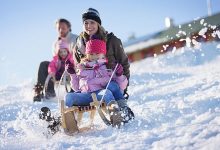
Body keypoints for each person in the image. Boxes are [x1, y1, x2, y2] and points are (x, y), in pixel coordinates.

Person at [72, 8, 133, 118]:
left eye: (92, 22)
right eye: (86, 23)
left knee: (112, 88)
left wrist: (124, 86)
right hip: (89, 87)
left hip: (110, 81)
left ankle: (122, 111)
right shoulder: (78, 45)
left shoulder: (112, 40)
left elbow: (124, 63)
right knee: (70, 97)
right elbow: (77, 69)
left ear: (98, 24)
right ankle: (64, 120)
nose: (89, 26)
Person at [65, 37, 130, 127]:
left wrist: (119, 75)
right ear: (87, 54)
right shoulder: (81, 68)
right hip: (85, 95)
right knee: (68, 96)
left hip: (99, 94)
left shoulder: (106, 68)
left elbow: (120, 86)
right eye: (91, 54)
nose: (94, 56)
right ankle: (68, 120)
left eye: (97, 53)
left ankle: (115, 115)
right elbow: (76, 88)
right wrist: (72, 74)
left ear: (103, 55)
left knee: (107, 92)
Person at [33, 18, 77, 102]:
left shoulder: (74, 39)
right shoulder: (55, 43)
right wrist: (52, 71)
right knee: (43, 64)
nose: (61, 30)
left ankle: (74, 94)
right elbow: (55, 60)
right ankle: (45, 92)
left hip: (72, 67)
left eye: (63, 28)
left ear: (68, 27)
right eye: (58, 28)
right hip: (59, 70)